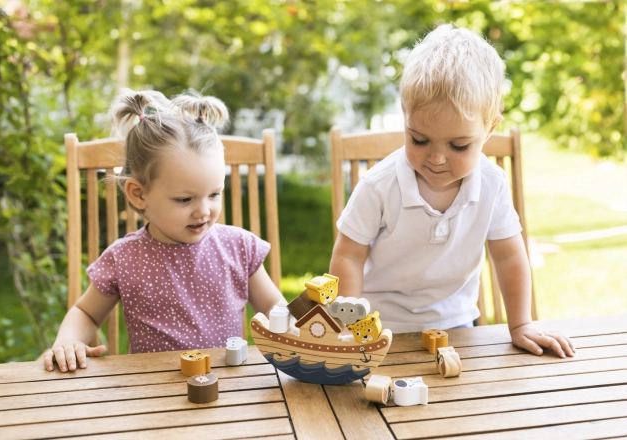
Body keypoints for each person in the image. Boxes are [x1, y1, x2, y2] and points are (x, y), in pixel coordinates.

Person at [329, 24, 575, 358]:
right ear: (404, 118)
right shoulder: (379, 185)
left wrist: (520, 324)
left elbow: (508, 254)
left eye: (459, 145)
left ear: (489, 129)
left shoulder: (493, 183)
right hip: (377, 329)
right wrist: (349, 330)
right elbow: (348, 255)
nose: (437, 158)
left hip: (459, 328)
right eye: (419, 140)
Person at [45, 89, 286, 372]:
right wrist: (69, 341)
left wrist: (301, 331)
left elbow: (274, 308)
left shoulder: (239, 248)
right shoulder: (125, 259)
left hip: (230, 388)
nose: (203, 211)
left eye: (214, 194)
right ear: (138, 194)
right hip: (151, 394)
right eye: (184, 199)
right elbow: (85, 312)